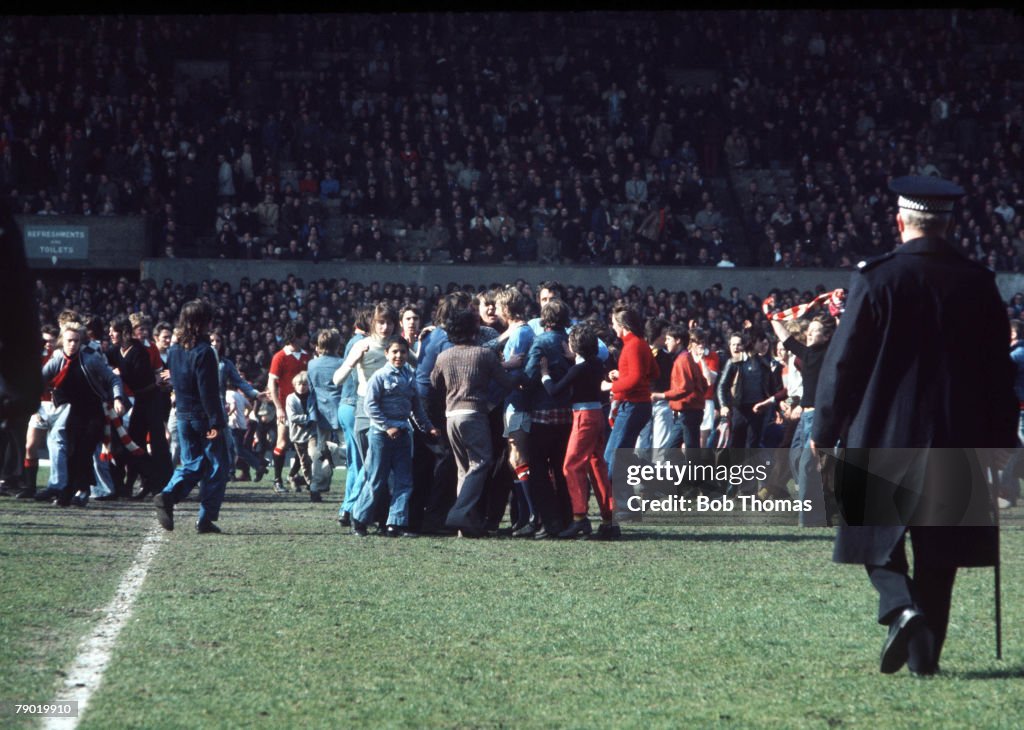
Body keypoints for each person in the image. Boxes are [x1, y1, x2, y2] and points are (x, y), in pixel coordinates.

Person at [811, 176, 1017, 676]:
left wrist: (825, 429)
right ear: (948, 225)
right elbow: (998, 369)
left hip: (880, 430)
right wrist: (1001, 437)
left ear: (900, 222)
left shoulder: (877, 278)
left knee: (870, 537)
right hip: (957, 432)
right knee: (939, 555)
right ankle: (925, 662)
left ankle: (901, 608)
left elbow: (844, 363)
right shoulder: (977, 280)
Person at [430, 310, 515, 537]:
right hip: (474, 414)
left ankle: (465, 527)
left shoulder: (444, 356)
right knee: (481, 463)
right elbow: (506, 383)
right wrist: (513, 366)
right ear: (474, 330)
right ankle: (459, 513)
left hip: (451, 417)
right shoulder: (483, 355)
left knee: (463, 470)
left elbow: (433, 383)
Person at [154, 300, 230, 534]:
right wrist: (216, 421)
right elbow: (208, 391)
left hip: (183, 414)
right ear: (202, 323)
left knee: (193, 464)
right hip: (203, 417)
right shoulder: (205, 352)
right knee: (217, 466)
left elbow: (174, 381)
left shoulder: (175, 350)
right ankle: (204, 518)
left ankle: (168, 494)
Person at [350, 335, 437, 536]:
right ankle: (359, 518)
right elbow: (370, 406)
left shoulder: (410, 376)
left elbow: (416, 407)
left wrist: (428, 427)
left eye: (403, 352)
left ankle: (395, 524)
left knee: (404, 480)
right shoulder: (379, 377)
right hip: (381, 435)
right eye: (395, 352)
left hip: (404, 434)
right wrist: (387, 426)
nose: (399, 355)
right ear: (387, 354)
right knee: (377, 478)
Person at [539, 324, 617, 539]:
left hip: (583, 417)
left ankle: (579, 517)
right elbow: (584, 368)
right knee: (596, 464)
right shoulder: (596, 364)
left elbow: (555, 390)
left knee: (571, 466)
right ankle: (609, 518)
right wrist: (574, 357)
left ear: (574, 346)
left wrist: (544, 374)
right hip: (597, 415)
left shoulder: (578, 369)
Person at [40, 323, 128, 507]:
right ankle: (70, 490)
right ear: (62, 341)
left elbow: (113, 378)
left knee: (84, 451)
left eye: (76, 341)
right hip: (72, 413)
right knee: (71, 452)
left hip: (94, 411)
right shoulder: (57, 359)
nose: (72, 344)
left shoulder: (90, 359)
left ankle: (82, 490)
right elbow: (40, 379)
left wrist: (118, 398)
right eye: (69, 340)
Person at [603, 304, 659, 521]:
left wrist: (612, 386)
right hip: (640, 405)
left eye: (615, 323)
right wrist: (623, 374)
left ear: (622, 325)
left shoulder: (632, 346)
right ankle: (628, 506)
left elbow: (635, 379)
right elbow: (653, 372)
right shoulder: (641, 344)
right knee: (621, 456)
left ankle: (625, 506)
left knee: (612, 458)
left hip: (632, 405)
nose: (613, 327)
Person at [268, 321, 311, 493]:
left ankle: (293, 475)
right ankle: (277, 480)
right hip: (286, 406)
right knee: (283, 442)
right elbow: (272, 383)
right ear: (296, 337)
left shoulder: (307, 356)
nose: (307, 337)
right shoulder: (280, 357)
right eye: (304, 335)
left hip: (305, 407)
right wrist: (278, 407)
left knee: (307, 446)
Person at [306, 328, 344, 501]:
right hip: (340, 409)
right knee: (347, 446)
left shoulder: (312, 365)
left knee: (320, 450)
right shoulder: (342, 363)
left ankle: (316, 485)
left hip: (321, 411)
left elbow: (311, 389)